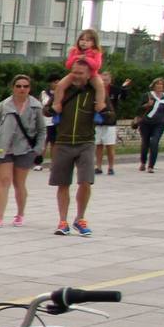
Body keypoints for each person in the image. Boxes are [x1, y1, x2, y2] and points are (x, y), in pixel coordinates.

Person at [45, 60, 100, 236]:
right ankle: (63, 221)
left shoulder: (94, 92)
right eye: (74, 72)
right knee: (63, 183)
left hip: (86, 142)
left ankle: (80, 218)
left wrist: (104, 112)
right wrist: (53, 110)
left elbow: (109, 112)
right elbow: (47, 110)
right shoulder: (63, 91)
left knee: (85, 181)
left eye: (80, 73)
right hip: (63, 141)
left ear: (88, 74)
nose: (76, 76)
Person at [0, 75, 44, 228]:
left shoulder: (36, 106)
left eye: (25, 86)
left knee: (19, 183)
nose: (22, 89)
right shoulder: (4, 105)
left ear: (29, 88)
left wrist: (38, 149)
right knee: (4, 181)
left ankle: (20, 214)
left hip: (25, 149)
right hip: (3, 148)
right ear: (13, 87)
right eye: (18, 86)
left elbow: (42, 130)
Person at [96, 71, 131, 176]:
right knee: (98, 145)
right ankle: (98, 166)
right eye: (102, 79)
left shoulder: (114, 90)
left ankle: (111, 167)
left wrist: (124, 87)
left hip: (110, 122)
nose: (104, 82)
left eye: (106, 80)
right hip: (98, 121)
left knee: (110, 146)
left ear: (110, 80)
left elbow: (123, 97)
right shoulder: (96, 90)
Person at [137, 77, 164, 173]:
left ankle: (151, 166)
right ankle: (143, 162)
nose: (159, 86)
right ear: (153, 86)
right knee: (145, 142)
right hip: (146, 123)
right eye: (157, 84)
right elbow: (138, 108)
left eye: (161, 84)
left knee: (154, 142)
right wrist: (147, 105)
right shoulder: (147, 95)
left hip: (159, 123)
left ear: (163, 87)